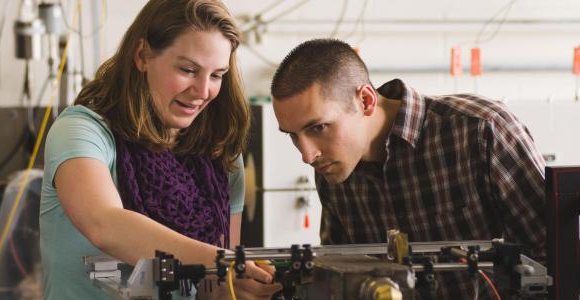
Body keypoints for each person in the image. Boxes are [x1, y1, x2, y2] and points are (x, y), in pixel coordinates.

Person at [39, 0, 282, 299]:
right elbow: (104, 224)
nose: (203, 91)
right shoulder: (82, 131)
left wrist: (234, 286)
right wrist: (222, 263)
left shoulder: (221, 153)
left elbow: (213, 287)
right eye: (188, 69)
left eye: (217, 75)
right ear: (142, 55)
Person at [270, 38, 546, 299]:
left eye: (318, 128)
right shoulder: (332, 168)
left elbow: (557, 255)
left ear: (365, 101)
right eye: (292, 135)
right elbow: (340, 276)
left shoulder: (481, 130)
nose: (307, 155)